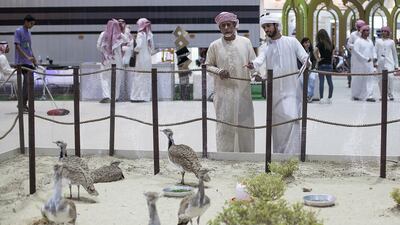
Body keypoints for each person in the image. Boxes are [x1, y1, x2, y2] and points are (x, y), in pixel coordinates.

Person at [245, 15, 309, 154]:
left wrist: (306, 64)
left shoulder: (291, 41)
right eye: (264, 27)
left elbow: (304, 57)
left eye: (268, 26)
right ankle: (279, 154)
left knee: (292, 118)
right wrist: (252, 65)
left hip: (292, 88)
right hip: (273, 91)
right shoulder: (265, 47)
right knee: (277, 124)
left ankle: (293, 154)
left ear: (275, 25)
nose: (266, 30)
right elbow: (259, 61)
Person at [205, 12, 256, 152]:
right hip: (223, 95)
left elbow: (254, 63)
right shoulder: (214, 45)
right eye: (223, 25)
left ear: (235, 25)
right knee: (224, 127)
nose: (226, 27)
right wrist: (218, 71)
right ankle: (225, 156)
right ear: (219, 28)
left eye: (229, 24)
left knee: (245, 126)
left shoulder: (246, 42)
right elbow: (207, 66)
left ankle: (247, 156)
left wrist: (256, 72)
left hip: (243, 93)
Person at [97, 19, 128, 103]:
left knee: (104, 78)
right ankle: (115, 97)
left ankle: (106, 96)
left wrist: (105, 52)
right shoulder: (120, 35)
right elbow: (127, 40)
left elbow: (98, 46)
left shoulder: (103, 34)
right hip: (117, 60)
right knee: (117, 79)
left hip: (106, 60)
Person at [14, 15, 36, 111]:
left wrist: (34, 59)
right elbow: (17, 46)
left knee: (30, 83)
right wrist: (26, 57)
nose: (32, 25)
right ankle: (22, 105)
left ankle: (24, 104)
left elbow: (29, 48)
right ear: (26, 21)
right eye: (31, 23)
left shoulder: (29, 32)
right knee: (26, 82)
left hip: (29, 62)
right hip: (21, 62)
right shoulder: (18, 31)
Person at [129, 18, 154, 102]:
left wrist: (134, 51)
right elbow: (152, 49)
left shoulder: (140, 34)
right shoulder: (150, 34)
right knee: (146, 78)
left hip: (141, 59)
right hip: (148, 59)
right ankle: (145, 97)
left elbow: (138, 46)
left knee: (138, 77)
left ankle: (135, 97)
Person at [351, 25, 377, 102]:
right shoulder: (358, 41)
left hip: (369, 64)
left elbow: (373, 50)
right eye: (366, 30)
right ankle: (357, 95)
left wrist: (374, 57)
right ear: (362, 32)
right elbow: (356, 52)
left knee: (370, 79)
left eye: (368, 30)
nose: (367, 32)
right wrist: (365, 59)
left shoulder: (370, 41)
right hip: (360, 64)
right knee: (359, 79)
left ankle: (369, 95)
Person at [375, 26, 398, 101]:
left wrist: (396, 65)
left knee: (390, 77)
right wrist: (375, 61)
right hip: (380, 62)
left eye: (385, 31)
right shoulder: (378, 41)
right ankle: (383, 95)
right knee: (380, 79)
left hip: (389, 62)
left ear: (388, 33)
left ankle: (390, 94)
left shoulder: (391, 42)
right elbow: (375, 51)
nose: (384, 32)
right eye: (382, 31)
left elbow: (394, 54)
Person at [314, 29, 334, 104]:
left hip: (322, 64)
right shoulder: (331, 44)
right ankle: (329, 98)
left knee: (321, 82)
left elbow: (314, 51)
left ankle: (321, 98)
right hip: (329, 65)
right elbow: (332, 56)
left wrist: (317, 59)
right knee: (330, 82)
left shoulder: (320, 43)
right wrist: (331, 64)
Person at [299, 37, 318, 102]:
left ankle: (309, 95)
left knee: (312, 79)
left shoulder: (311, 52)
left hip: (311, 70)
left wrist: (311, 69)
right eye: (305, 43)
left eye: (308, 42)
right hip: (302, 70)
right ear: (302, 44)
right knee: (301, 80)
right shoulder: (300, 52)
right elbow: (298, 62)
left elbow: (314, 61)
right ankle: (305, 96)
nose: (307, 44)